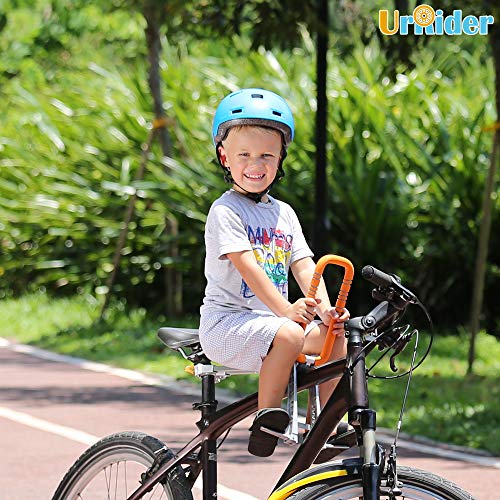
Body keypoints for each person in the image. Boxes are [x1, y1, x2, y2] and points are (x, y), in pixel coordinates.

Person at [199, 88, 349, 459]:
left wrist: (327, 311)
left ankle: (324, 424)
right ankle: (266, 420)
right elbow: (248, 267)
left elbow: (304, 265)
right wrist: (285, 310)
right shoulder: (225, 211)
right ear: (224, 157)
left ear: (280, 157)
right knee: (289, 332)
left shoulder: (284, 213)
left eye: (267, 154)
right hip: (227, 325)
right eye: (244, 154)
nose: (256, 163)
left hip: (273, 326)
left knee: (337, 336)